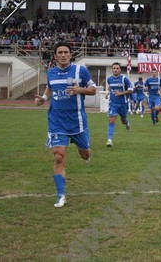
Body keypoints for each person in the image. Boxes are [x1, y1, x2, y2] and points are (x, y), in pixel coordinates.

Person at [35, 42, 96, 208]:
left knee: (85, 154)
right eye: (60, 52)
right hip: (57, 121)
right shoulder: (51, 72)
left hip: (77, 122)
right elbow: (49, 89)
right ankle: (61, 195)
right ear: (55, 56)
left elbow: (93, 90)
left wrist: (79, 90)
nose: (63, 55)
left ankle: (87, 151)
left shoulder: (79, 71)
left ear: (70, 55)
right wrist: (43, 99)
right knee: (59, 155)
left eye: (66, 52)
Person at [105, 62, 133, 147]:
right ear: (112, 69)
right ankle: (109, 140)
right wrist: (107, 93)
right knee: (111, 121)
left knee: (123, 121)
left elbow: (131, 89)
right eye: (114, 68)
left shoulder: (124, 79)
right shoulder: (109, 79)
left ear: (120, 69)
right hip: (113, 103)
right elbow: (110, 86)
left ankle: (127, 122)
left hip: (123, 104)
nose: (115, 70)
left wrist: (121, 93)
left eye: (117, 68)